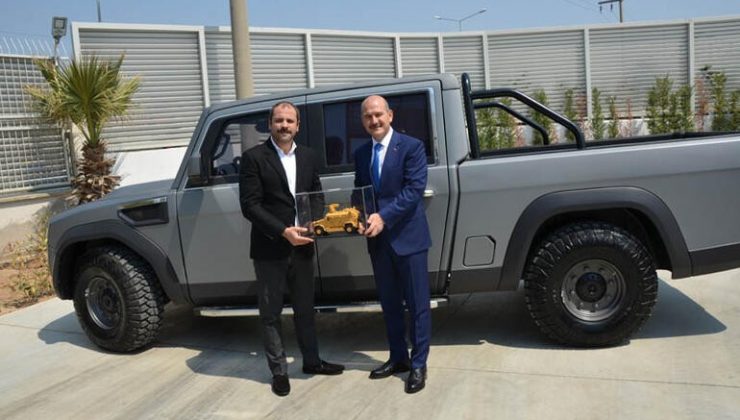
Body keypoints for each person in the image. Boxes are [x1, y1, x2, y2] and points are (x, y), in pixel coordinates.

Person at [239, 101, 344, 397]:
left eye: (289, 121)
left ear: (298, 126)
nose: (284, 125)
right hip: (270, 248)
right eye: (279, 120)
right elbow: (250, 206)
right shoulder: (253, 158)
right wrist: (283, 231)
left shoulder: (308, 156)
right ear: (270, 124)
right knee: (271, 314)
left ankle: (312, 361)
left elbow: (316, 194)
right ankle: (279, 372)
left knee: (305, 310)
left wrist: (313, 222)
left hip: (303, 247)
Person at [353, 95, 432, 394]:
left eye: (378, 114)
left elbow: (414, 190)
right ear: (363, 121)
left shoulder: (411, 147)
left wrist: (383, 216)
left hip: (409, 239)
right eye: (368, 116)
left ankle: (418, 364)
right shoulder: (362, 153)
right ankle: (398, 358)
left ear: (390, 115)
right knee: (390, 305)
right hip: (379, 242)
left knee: (418, 305)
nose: (374, 120)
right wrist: (359, 216)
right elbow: (360, 191)